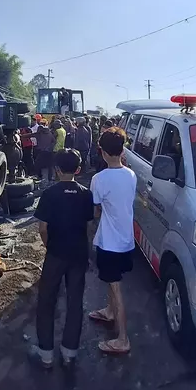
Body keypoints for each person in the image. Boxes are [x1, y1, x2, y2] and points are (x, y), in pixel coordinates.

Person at [30, 149, 93, 368]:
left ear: (56, 170)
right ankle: (69, 352)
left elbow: (43, 228)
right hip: (78, 254)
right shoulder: (86, 193)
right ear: (78, 169)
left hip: (56, 254)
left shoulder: (50, 194)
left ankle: (46, 353)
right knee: (75, 302)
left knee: (47, 301)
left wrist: (49, 245)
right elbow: (88, 224)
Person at [87, 127, 136, 355]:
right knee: (112, 282)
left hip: (110, 244)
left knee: (117, 290)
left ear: (103, 152)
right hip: (126, 241)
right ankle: (109, 311)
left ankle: (123, 338)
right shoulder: (131, 174)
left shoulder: (99, 179)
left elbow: (95, 209)